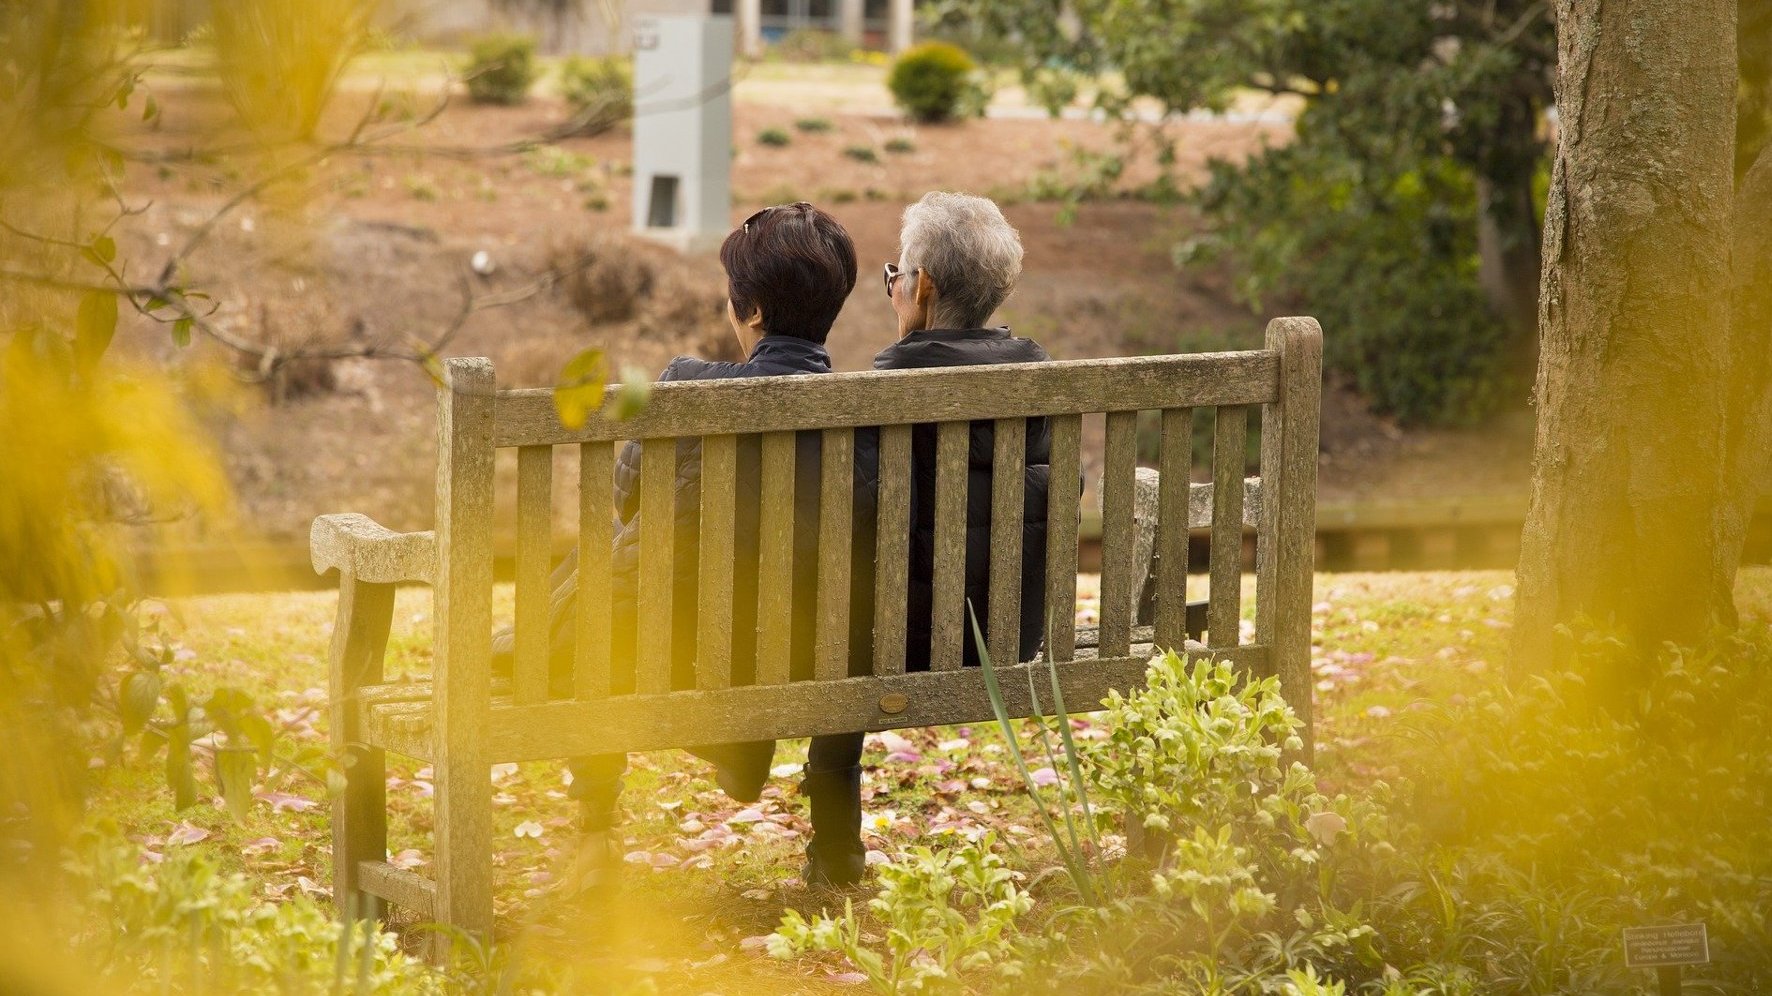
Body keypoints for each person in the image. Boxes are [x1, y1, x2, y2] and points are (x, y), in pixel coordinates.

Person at [493, 202, 860, 879]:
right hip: (817, 651)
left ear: (750, 313)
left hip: (677, 649)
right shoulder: (868, 415)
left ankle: (598, 833)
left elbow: (629, 496)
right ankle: (814, 827)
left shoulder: (691, 387)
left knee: (606, 567)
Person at [799, 191, 1054, 888]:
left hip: (891, 645)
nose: (892, 289)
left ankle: (837, 855)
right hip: (1007, 635)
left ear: (924, 288)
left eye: (895, 276)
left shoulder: (880, 395)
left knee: (843, 636)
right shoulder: (1039, 381)